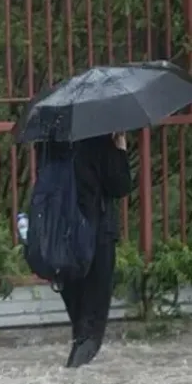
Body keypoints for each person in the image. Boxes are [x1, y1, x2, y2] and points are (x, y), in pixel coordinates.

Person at [53, 132, 132, 368]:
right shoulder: (99, 141)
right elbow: (121, 186)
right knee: (92, 325)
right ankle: (74, 377)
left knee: (80, 321)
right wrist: (120, 149)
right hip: (97, 238)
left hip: (62, 238)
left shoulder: (51, 141)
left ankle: (75, 371)